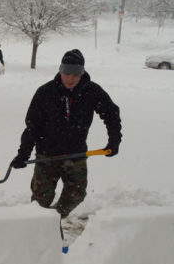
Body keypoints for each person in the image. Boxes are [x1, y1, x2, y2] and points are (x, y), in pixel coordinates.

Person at [9, 49, 121, 218]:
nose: (70, 78)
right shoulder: (46, 92)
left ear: (82, 72)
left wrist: (114, 140)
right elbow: (32, 126)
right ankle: (38, 226)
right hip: (47, 155)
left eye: (75, 74)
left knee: (76, 195)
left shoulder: (92, 91)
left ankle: (54, 219)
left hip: (76, 154)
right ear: (60, 70)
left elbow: (111, 114)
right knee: (40, 200)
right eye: (67, 73)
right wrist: (23, 153)